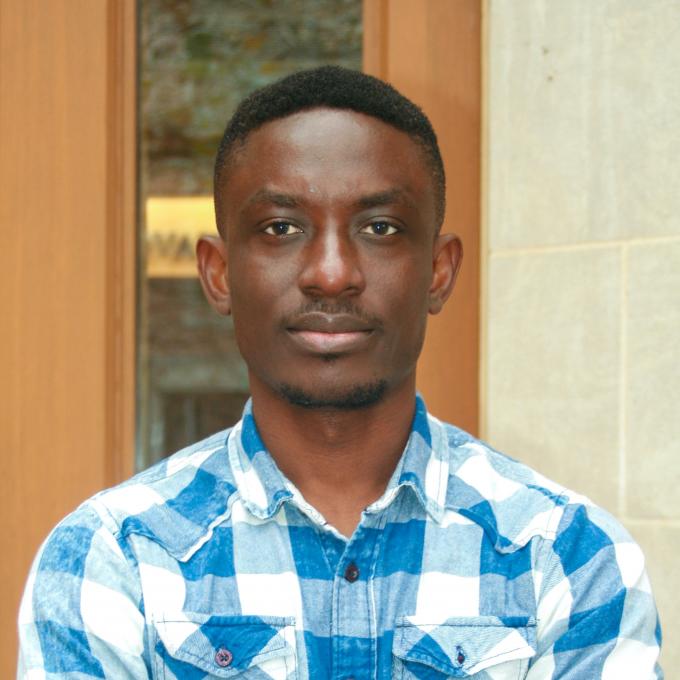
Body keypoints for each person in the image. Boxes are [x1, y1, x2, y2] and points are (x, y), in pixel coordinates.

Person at [18, 66, 662, 679]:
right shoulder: (114, 559)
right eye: (281, 227)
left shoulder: (568, 558)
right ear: (218, 274)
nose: (332, 272)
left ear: (439, 271)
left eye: (380, 227)